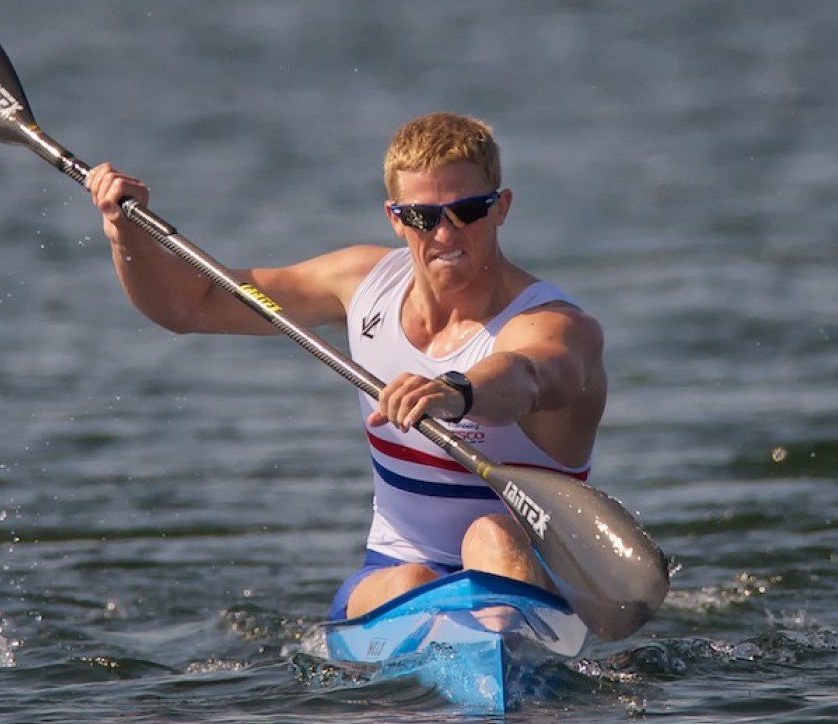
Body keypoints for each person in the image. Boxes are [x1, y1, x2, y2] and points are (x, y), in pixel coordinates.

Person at [85, 111, 606, 621]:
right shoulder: (361, 282)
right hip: (397, 572)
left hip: (539, 573)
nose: (445, 235)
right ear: (396, 219)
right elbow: (189, 304)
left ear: (501, 208)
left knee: (490, 534)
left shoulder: (552, 322)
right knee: (411, 581)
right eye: (423, 217)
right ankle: (462, 642)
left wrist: (456, 390)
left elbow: (533, 375)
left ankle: (501, 648)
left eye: (466, 211)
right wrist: (123, 233)